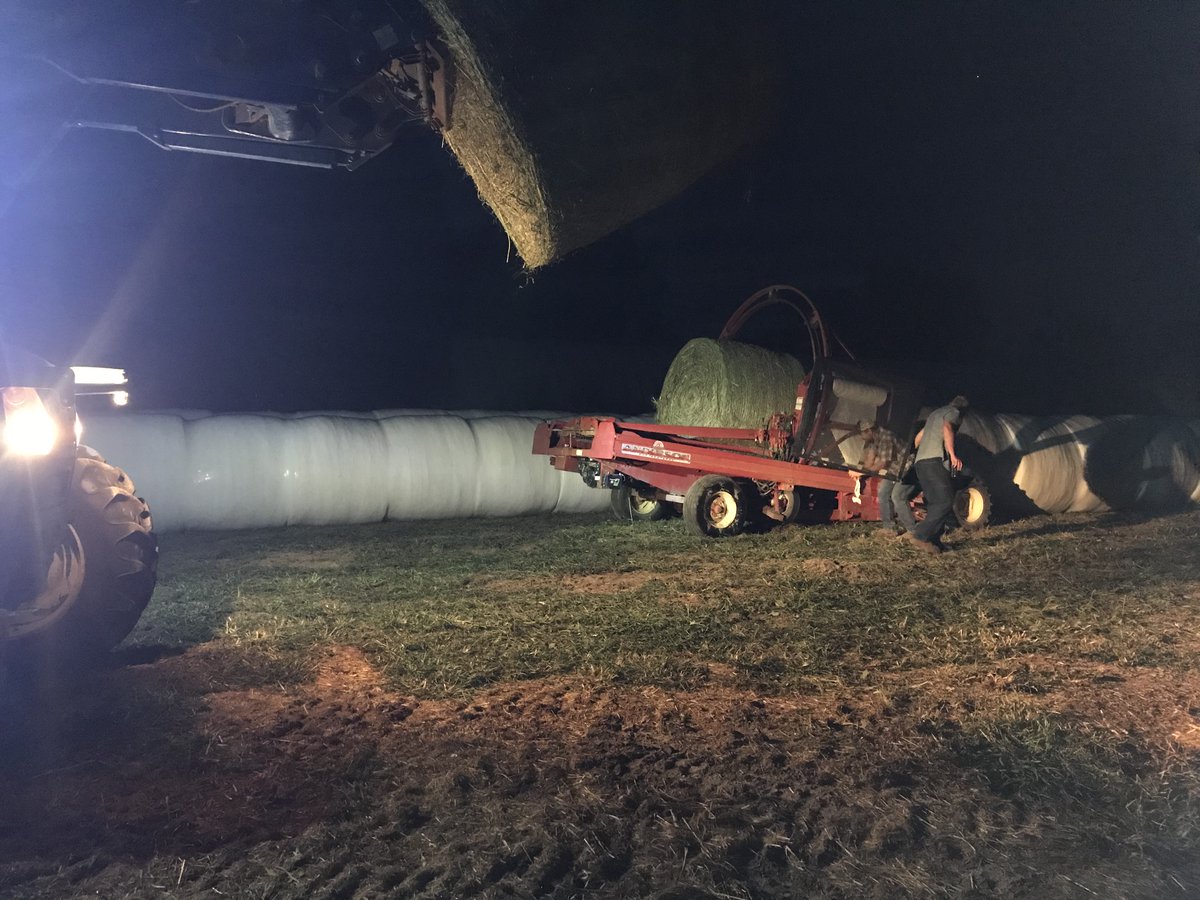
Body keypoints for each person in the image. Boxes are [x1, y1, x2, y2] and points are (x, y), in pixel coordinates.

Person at [907, 396, 969, 554]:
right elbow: (947, 427)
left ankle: (934, 542)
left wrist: (918, 452)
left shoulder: (935, 414)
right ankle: (921, 536)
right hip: (934, 462)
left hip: (921, 462)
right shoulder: (953, 412)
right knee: (946, 500)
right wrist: (952, 455)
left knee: (935, 502)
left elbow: (918, 438)